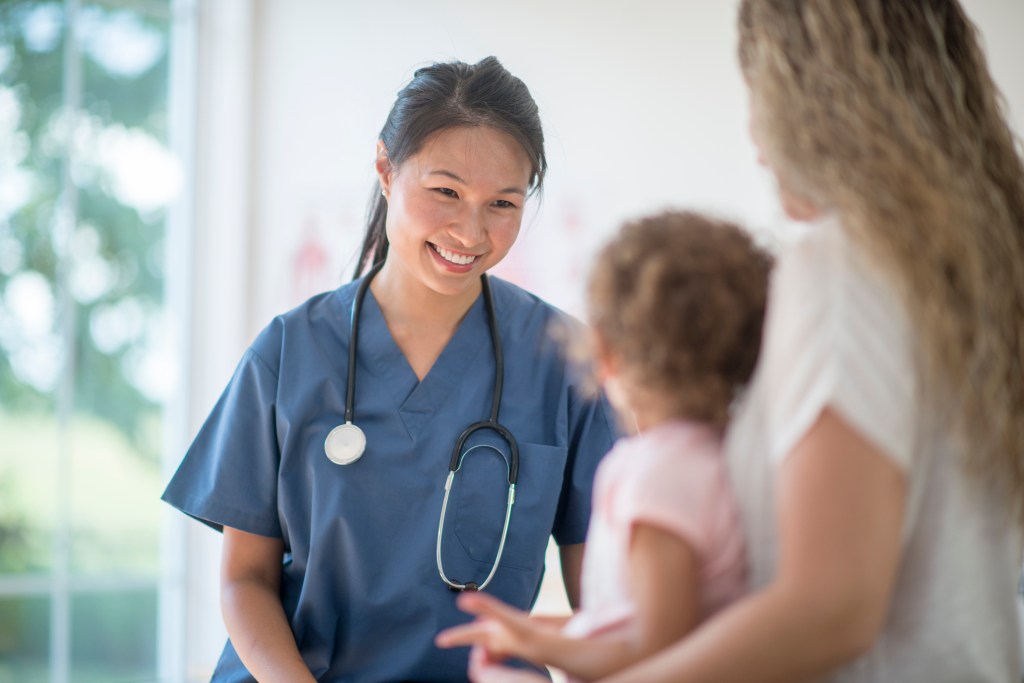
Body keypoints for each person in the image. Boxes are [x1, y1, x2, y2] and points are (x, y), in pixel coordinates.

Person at [484, 2, 1019, 683]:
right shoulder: (963, 270)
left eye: (759, 97)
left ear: (815, 99)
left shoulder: (844, 265)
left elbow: (831, 607)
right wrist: (560, 635)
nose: (757, 140)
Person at [161, 56, 619, 682]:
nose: (471, 229)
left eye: (503, 203)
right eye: (446, 192)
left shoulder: (565, 363)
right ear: (385, 169)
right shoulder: (290, 351)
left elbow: (605, 603)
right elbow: (244, 580)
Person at [436, 211, 771, 680]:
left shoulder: (656, 476)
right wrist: (535, 636)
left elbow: (656, 654)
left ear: (605, 352)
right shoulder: (732, 457)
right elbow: (644, 623)